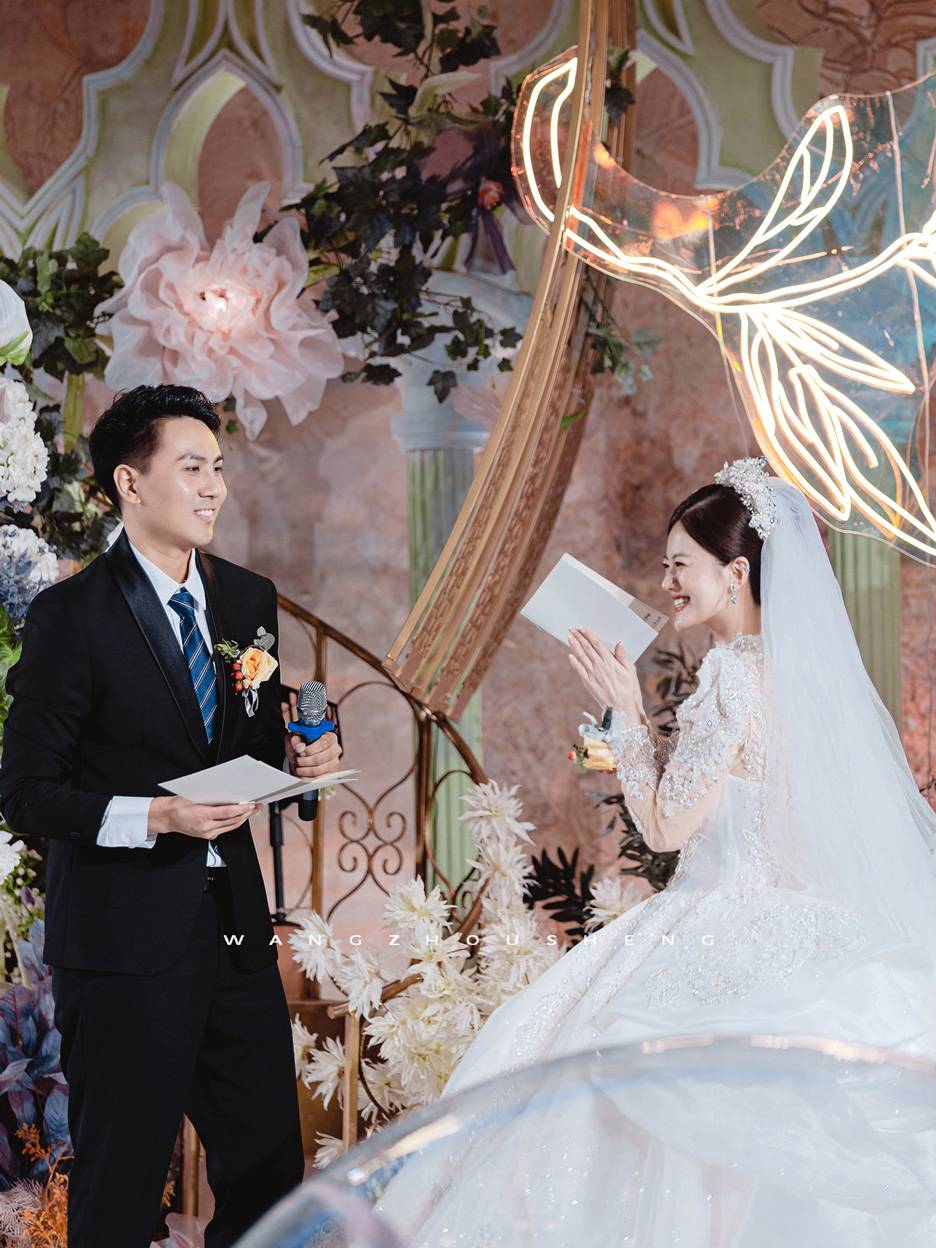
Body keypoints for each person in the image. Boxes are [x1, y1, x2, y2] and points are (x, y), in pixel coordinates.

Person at [369, 457, 936, 1245]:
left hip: (713, 916)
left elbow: (667, 830)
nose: (666, 582)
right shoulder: (793, 674)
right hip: (792, 917)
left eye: (680, 565)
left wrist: (626, 713)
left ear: (735, 573)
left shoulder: (732, 676)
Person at [0, 385, 343, 1248]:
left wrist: (301, 763)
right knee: (121, 1189)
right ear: (130, 482)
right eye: (192, 468)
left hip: (233, 932)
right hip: (123, 945)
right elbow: (26, 791)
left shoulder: (247, 600)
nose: (214, 487)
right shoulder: (70, 616)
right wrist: (159, 816)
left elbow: (250, 745)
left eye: (217, 468)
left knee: (269, 1174)